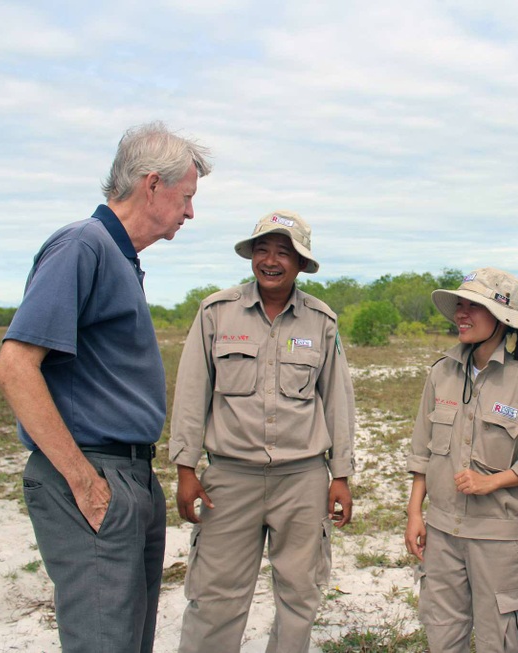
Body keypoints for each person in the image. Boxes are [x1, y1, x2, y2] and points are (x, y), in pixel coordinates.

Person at [0, 122, 212, 652]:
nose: (189, 213)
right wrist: (84, 482)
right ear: (152, 184)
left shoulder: (120, 259)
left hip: (129, 473)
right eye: (186, 198)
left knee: (129, 640)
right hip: (93, 473)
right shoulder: (81, 245)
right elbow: (14, 366)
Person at [170, 210, 355, 653]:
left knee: (300, 594)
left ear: (301, 264)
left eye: (283, 252)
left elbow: (337, 402)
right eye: (263, 250)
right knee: (215, 596)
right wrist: (185, 468)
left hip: (302, 480)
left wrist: (341, 476)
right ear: (251, 256)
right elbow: (192, 392)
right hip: (229, 481)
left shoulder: (321, 321)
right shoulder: (217, 312)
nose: (271, 260)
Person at [405, 267, 518, 653]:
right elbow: (422, 450)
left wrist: (494, 481)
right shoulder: (442, 373)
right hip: (441, 533)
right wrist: (415, 513)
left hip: (498, 541)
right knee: (442, 633)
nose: (462, 314)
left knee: (500, 641)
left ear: (503, 319)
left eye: (475, 306)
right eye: (460, 305)